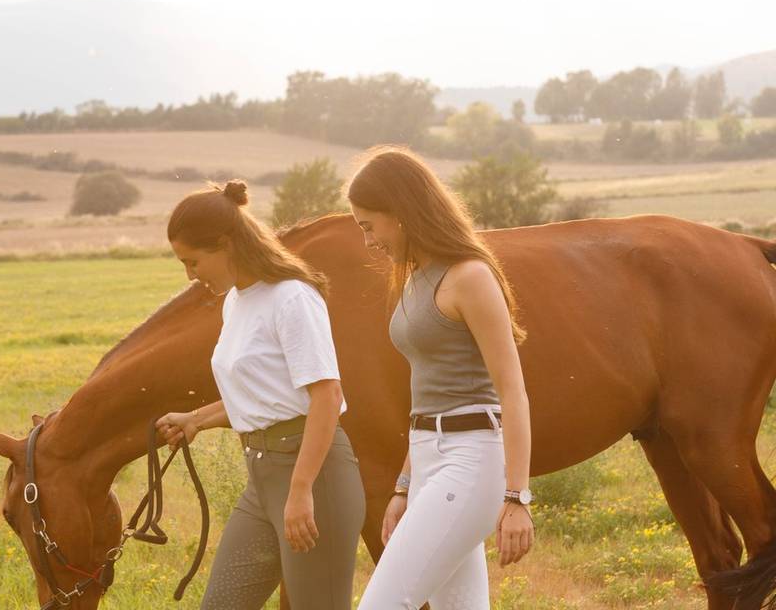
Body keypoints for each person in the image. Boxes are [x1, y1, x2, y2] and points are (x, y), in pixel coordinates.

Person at [156, 179, 366, 610]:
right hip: (262, 480)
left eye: (193, 262)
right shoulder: (237, 301)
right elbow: (264, 397)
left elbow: (326, 396)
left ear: (226, 243)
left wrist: (302, 489)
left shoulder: (292, 298)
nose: (190, 276)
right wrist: (195, 419)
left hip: (314, 478)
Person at [349, 147, 535, 609]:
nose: (368, 241)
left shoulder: (470, 276)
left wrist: (517, 497)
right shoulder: (414, 278)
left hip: (471, 461)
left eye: (369, 226)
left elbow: (512, 391)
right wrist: (404, 485)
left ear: (401, 212)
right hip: (428, 457)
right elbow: (426, 394)